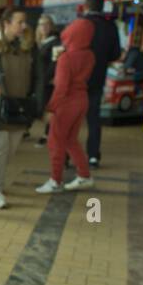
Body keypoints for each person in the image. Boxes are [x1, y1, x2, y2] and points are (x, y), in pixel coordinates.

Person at [0, 8, 35, 209]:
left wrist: (37, 104)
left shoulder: (27, 46)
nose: (24, 26)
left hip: (20, 107)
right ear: (6, 24)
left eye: (25, 22)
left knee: (10, 150)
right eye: (19, 22)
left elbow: (36, 75)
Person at [37, 18, 96, 193]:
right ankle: (84, 175)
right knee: (71, 140)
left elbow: (61, 87)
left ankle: (55, 180)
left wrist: (51, 108)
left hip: (65, 103)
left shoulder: (66, 57)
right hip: (82, 100)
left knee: (55, 142)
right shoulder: (89, 55)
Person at [82, 0, 122, 167]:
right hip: (98, 77)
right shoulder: (110, 26)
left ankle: (68, 155)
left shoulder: (81, 24)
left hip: (78, 78)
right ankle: (93, 155)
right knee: (93, 118)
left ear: (86, 6)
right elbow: (116, 54)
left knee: (72, 118)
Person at [32, 14, 60, 148]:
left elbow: (56, 62)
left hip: (47, 80)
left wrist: (50, 77)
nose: (43, 27)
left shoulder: (55, 42)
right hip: (37, 80)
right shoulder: (36, 42)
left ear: (51, 26)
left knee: (47, 108)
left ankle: (49, 134)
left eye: (47, 24)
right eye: (41, 24)